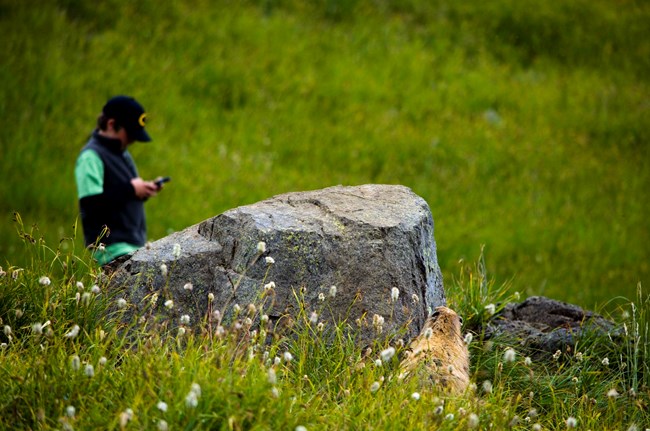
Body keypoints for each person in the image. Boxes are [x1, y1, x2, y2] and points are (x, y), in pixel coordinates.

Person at [75, 95, 163, 265]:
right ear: (111, 124)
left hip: (133, 244)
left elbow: (119, 193)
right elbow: (91, 205)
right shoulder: (90, 157)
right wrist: (131, 189)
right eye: (129, 133)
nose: (132, 140)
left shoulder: (122, 153)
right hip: (111, 249)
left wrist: (142, 190)